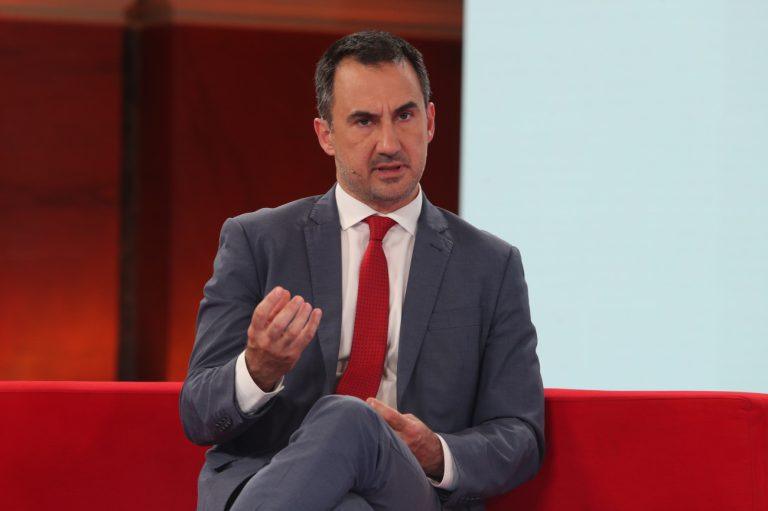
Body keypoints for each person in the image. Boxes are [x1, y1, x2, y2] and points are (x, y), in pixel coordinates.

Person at [180, 31, 545, 511]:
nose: (389, 143)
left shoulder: (490, 265)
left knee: (350, 419)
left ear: (431, 122)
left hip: (410, 490)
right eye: (364, 121)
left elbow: (520, 434)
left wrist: (436, 451)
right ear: (325, 135)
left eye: (405, 116)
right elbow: (199, 414)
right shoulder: (258, 241)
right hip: (278, 482)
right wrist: (257, 371)